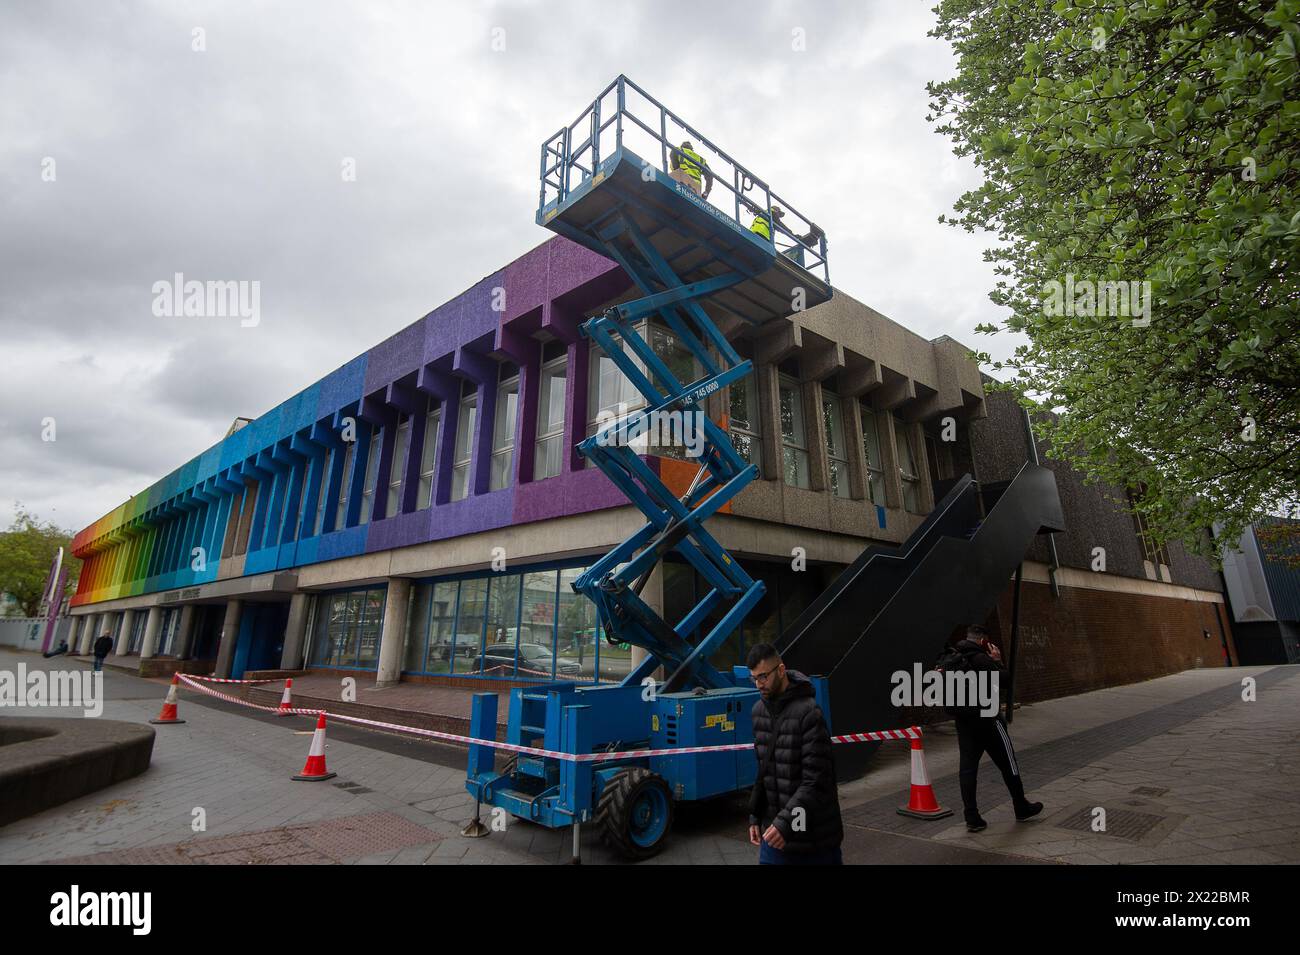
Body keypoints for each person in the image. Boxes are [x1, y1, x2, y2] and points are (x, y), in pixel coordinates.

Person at [746, 642, 844, 864]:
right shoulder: (758, 712)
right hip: (775, 835)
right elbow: (764, 771)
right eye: (754, 678)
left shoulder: (810, 713)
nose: (759, 684)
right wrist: (755, 814)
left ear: (781, 670)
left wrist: (785, 823)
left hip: (814, 840)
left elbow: (816, 781)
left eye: (763, 677)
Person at [943, 624, 1043, 832]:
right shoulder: (982, 659)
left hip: (964, 722)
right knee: (1008, 763)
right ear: (982, 641)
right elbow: (1005, 681)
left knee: (967, 770)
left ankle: (972, 817)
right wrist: (997, 661)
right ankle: (1021, 806)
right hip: (989, 721)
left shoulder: (954, 658)